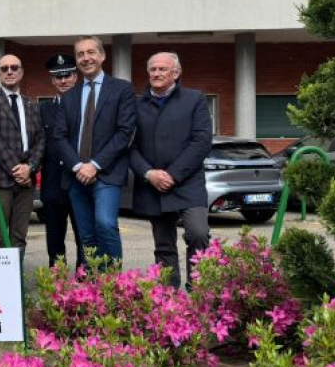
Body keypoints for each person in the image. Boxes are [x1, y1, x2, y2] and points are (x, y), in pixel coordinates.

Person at [130, 52, 212, 289]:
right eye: (152, 69)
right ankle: (169, 298)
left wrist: (173, 174)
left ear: (176, 73)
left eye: (162, 69)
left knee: (198, 234)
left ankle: (200, 292)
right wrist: (148, 174)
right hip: (153, 185)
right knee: (164, 245)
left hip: (187, 184)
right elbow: (129, 146)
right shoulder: (136, 105)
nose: (156, 74)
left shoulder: (194, 99)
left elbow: (201, 142)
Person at [52, 35, 136, 264]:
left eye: (91, 52)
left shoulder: (122, 90)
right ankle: (92, 291)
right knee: (86, 235)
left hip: (106, 173)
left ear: (102, 56)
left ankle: (114, 286)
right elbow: (59, 136)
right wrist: (79, 166)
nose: (86, 58)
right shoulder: (69, 96)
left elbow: (125, 132)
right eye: (80, 54)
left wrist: (95, 165)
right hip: (76, 175)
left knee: (106, 224)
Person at [0, 54, 43, 256]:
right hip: (0, 179)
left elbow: (41, 140)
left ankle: (15, 283)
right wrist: (18, 169)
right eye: (4, 68)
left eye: (14, 67)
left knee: (19, 236)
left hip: (27, 180)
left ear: (21, 72)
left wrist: (30, 167)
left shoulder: (31, 104)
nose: (9, 71)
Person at [39, 53, 85, 269]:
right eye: (58, 77)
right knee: (54, 239)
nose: (63, 80)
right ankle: (57, 284)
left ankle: (85, 284)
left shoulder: (86, 106)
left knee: (84, 236)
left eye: (67, 75)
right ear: (52, 80)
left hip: (80, 181)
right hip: (53, 183)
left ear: (76, 76)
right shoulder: (43, 109)